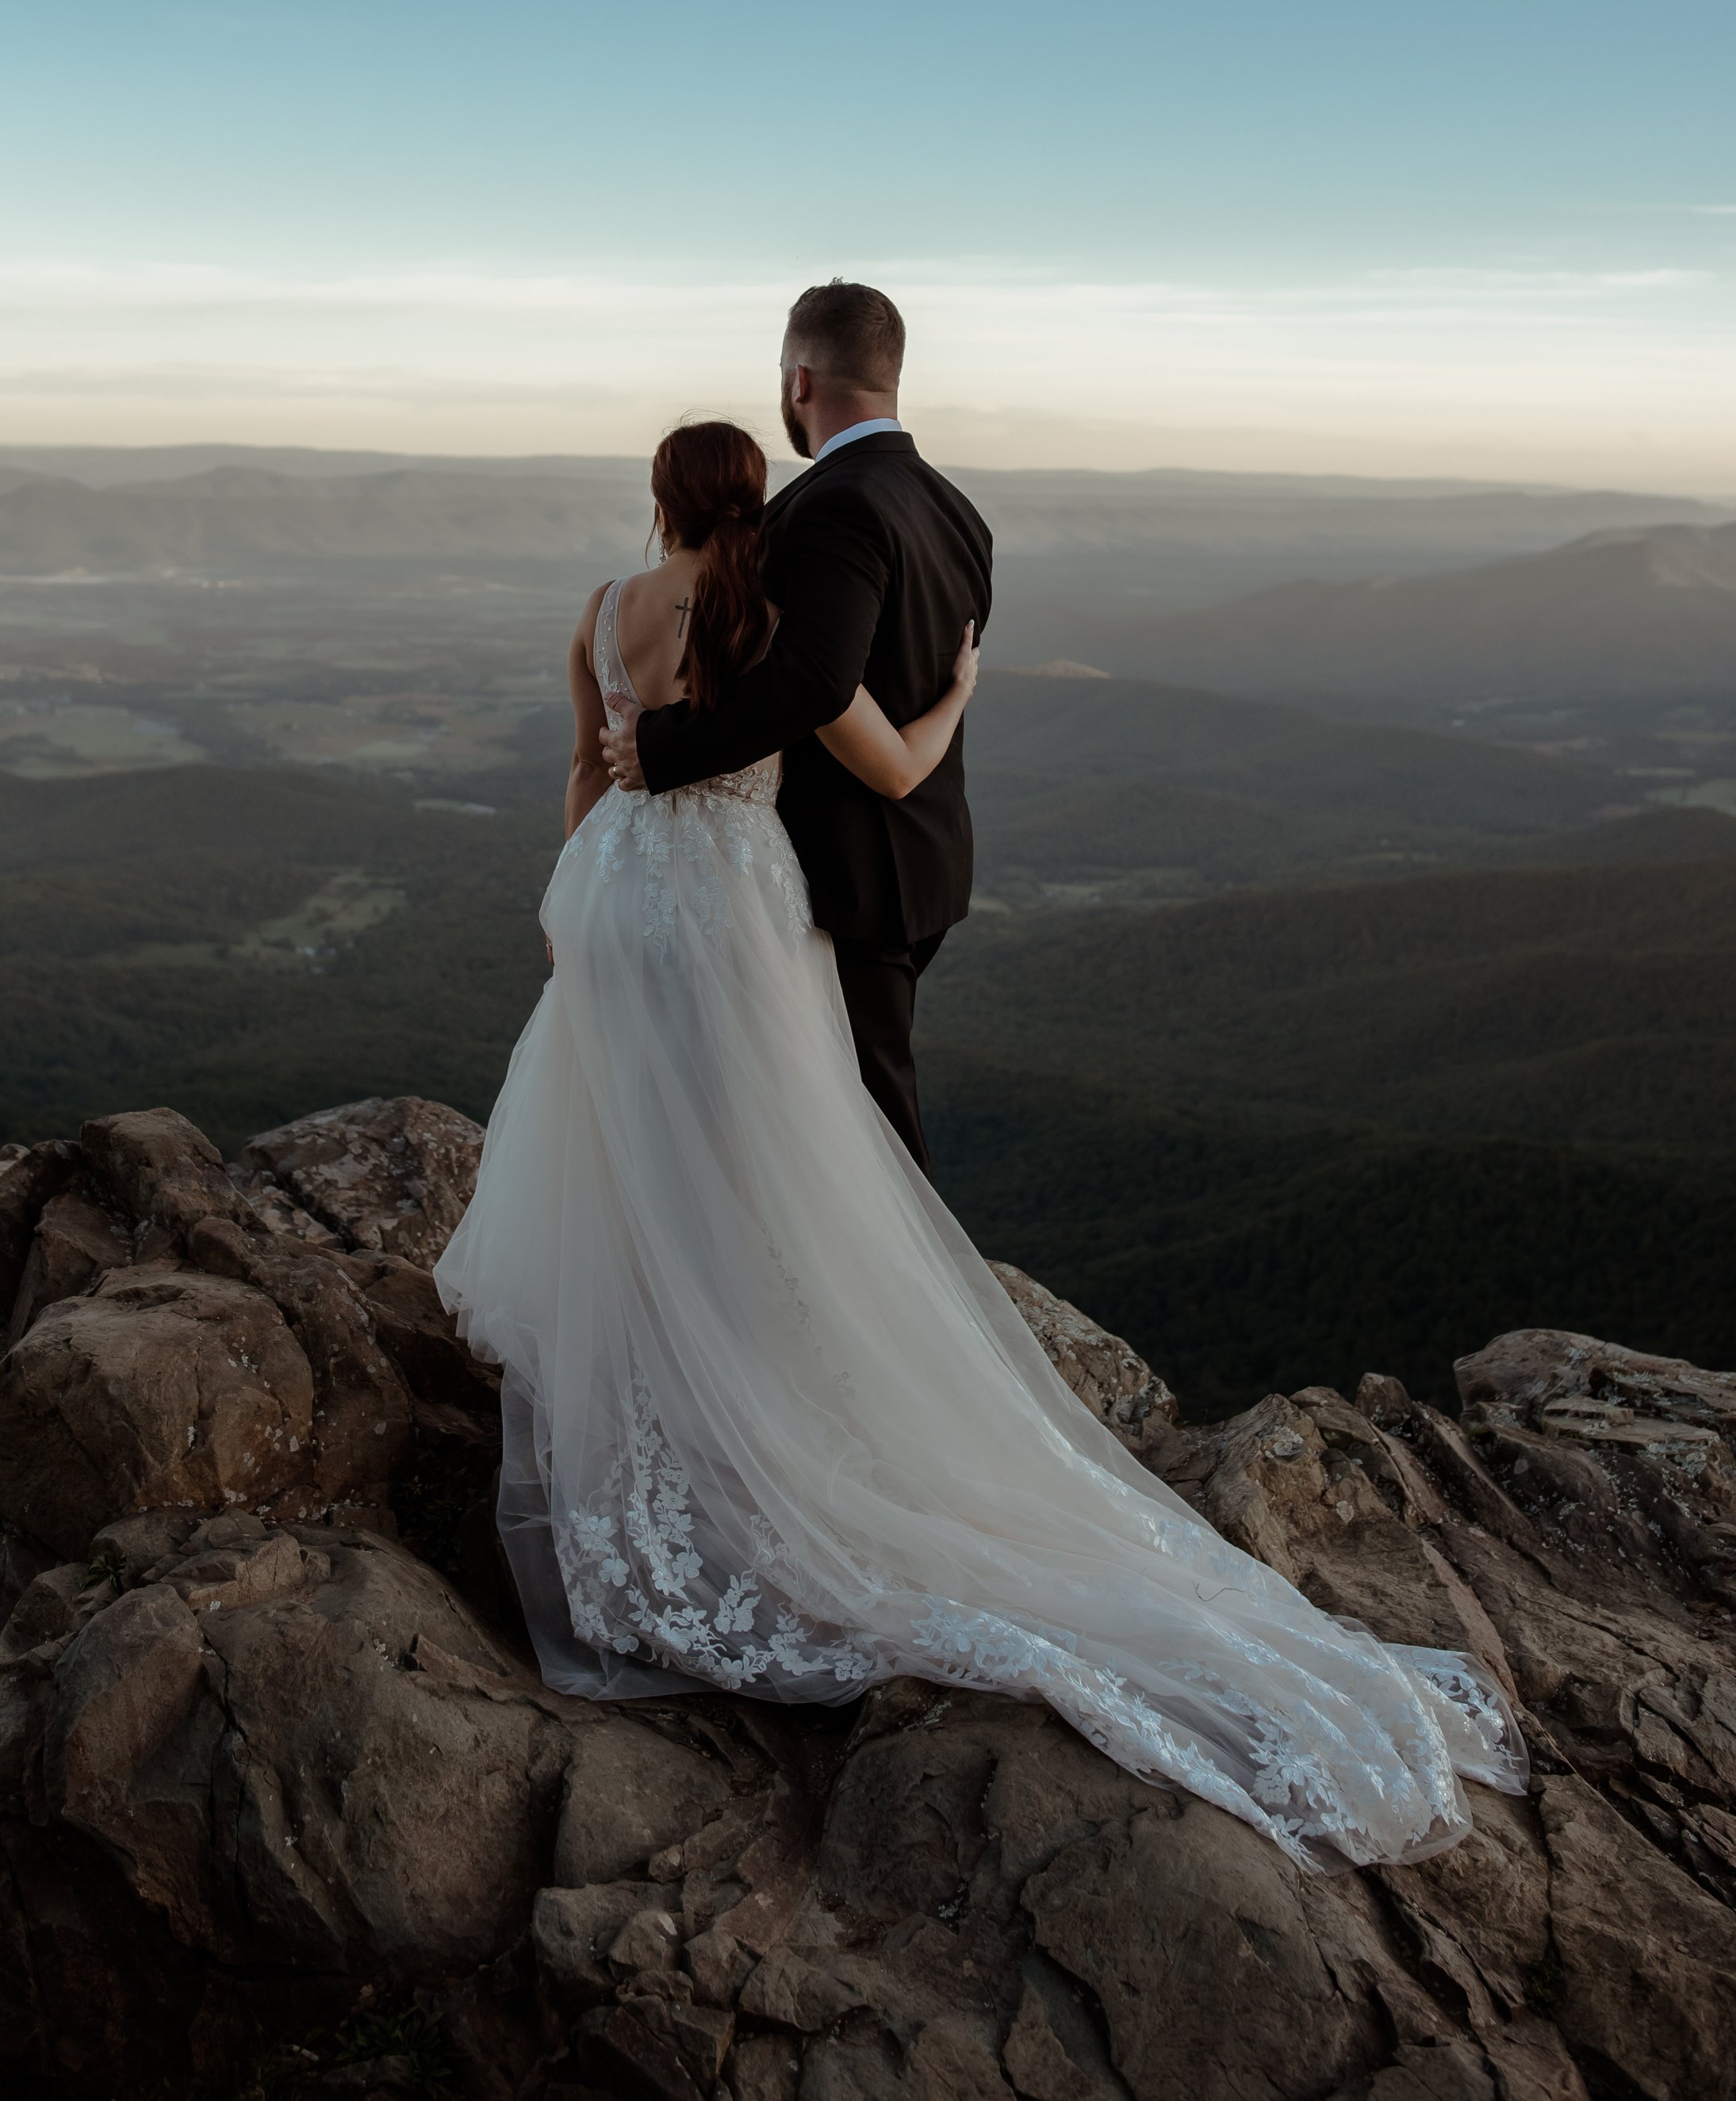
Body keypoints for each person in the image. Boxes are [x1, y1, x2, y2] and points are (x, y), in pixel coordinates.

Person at [433, 396, 1527, 1872]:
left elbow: (585, 775)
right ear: (754, 498)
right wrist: (959, 697)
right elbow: (883, 762)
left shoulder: (601, 609)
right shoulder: (764, 619)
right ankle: (773, 1386)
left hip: (615, 898)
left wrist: (575, 896)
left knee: (629, 1158)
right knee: (764, 1160)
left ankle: (650, 1411)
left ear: (656, 497)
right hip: (738, 914)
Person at [597, 279, 992, 1175]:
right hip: (921, 854)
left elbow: (816, 679)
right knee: (834, 1106)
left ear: (800, 382)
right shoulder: (955, 511)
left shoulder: (832, 507)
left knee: (867, 1127)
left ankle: (900, 1309)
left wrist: (659, 748)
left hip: (849, 870)